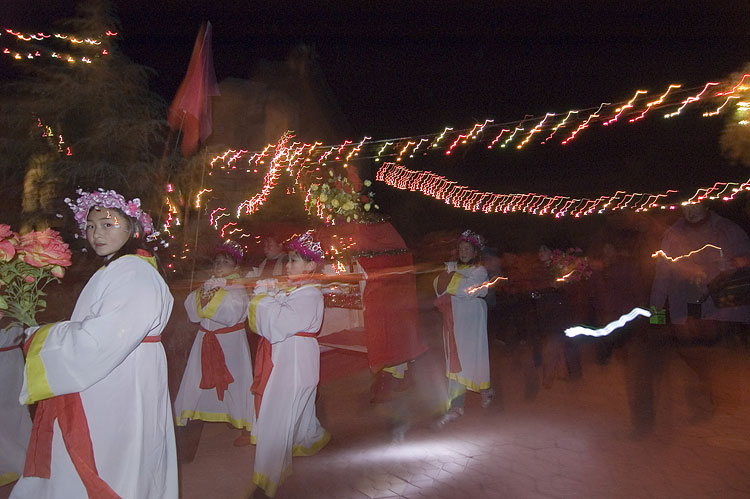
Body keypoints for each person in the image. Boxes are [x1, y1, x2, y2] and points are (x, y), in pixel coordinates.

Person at [10, 189, 177, 498]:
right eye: (90, 226)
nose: (96, 233)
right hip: (117, 373)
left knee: (110, 461)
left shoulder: (133, 272)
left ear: (133, 229)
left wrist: (42, 338)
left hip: (118, 380)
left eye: (107, 224)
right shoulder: (120, 268)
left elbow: (100, 338)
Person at [649, 202, 750, 422]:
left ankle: (724, 405)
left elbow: (745, 261)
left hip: (720, 309)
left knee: (719, 354)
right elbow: (662, 278)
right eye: (685, 207)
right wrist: (656, 314)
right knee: (693, 356)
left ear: (706, 205)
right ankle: (707, 400)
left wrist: (733, 264)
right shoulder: (672, 236)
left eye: (695, 206)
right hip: (685, 308)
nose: (690, 211)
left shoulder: (727, 230)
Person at [247, 231, 330, 498]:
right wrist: (272, 295)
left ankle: (268, 479)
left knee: (278, 414)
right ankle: (308, 442)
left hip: (292, 359)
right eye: (289, 260)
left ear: (311, 265)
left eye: (295, 261)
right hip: (292, 356)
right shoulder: (299, 290)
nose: (288, 265)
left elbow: (279, 324)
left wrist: (263, 296)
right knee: (295, 411)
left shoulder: (309, 293)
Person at [173, 241, 255, 453]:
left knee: (236, 383)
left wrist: (209, 301)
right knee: (195, 381)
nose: (219, 267)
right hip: (205, 341)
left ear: (236, 268)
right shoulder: (210, 284)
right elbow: (192, 310)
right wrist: (204, 294)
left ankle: (245, 425)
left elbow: (231, 314)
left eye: (225, 263)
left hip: (230, 344)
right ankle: (187, 415)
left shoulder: (238, 288)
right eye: (217, 262)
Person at [433, 229, 493, 426]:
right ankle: (457, 405)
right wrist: (449, 277)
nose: (464, 252)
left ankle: (486, 390)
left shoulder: (479, 271)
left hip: (471, 323)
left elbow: (469, 290)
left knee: (473, 359)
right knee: (456, 361)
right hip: (454, 322)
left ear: (475, 252)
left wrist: (450, 277)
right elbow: (438, 285)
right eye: (461, 249)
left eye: (467, 249)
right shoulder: (453, 267)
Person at [0, 321, 32, 488]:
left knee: (17, 411)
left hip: (11, 360)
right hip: (8, 358)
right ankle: (19, 462)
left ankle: (23, 461)